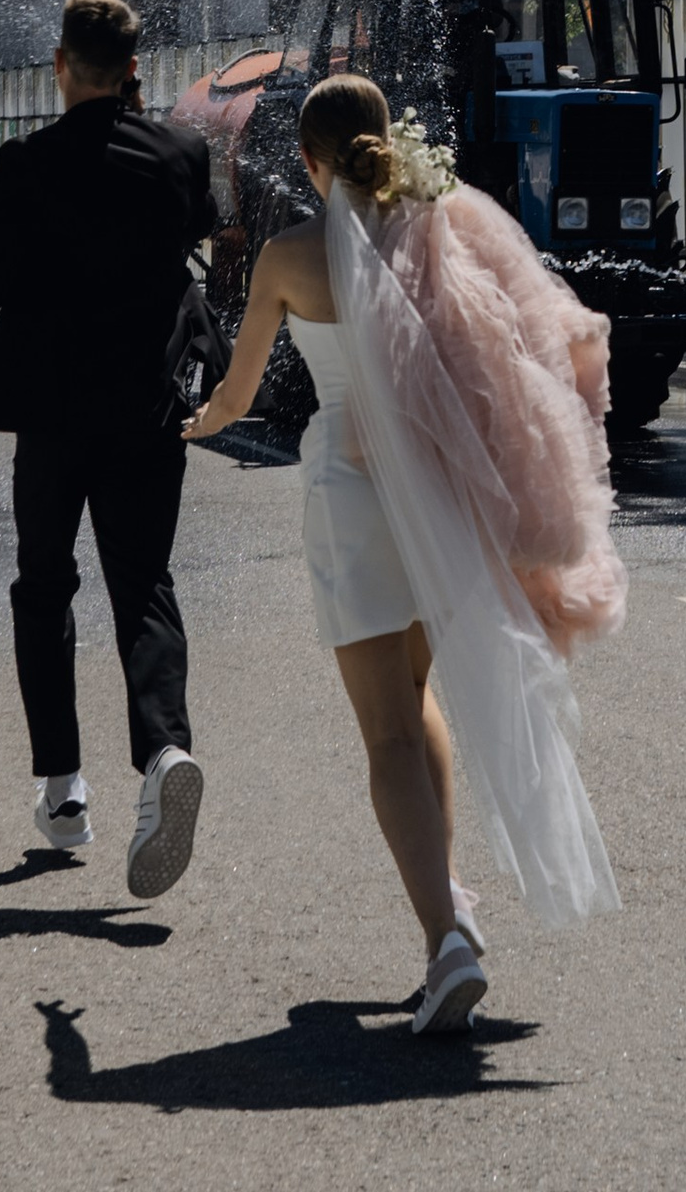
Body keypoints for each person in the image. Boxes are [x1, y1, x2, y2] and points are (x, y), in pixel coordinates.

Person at [184, 71, 624, 1033]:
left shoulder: (292, 258)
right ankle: (453, 907)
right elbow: (511, 348)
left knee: (383, 731)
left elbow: (241, 393)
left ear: (305, 160)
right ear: (387, 141)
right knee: (420, 702)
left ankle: (445, 938)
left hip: (347, 504)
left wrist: (191, 423)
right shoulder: (440, 230)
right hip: (430, 498)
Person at [0, 0, 213, 899]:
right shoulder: (182, 154)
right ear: (135, 71)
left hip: (54, 415)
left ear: (63, 67)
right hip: (150, 409)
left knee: (44, 587)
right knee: (145, 584)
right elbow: (179, 248)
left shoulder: (27, 162)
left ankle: (64, 789)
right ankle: (163, 753)